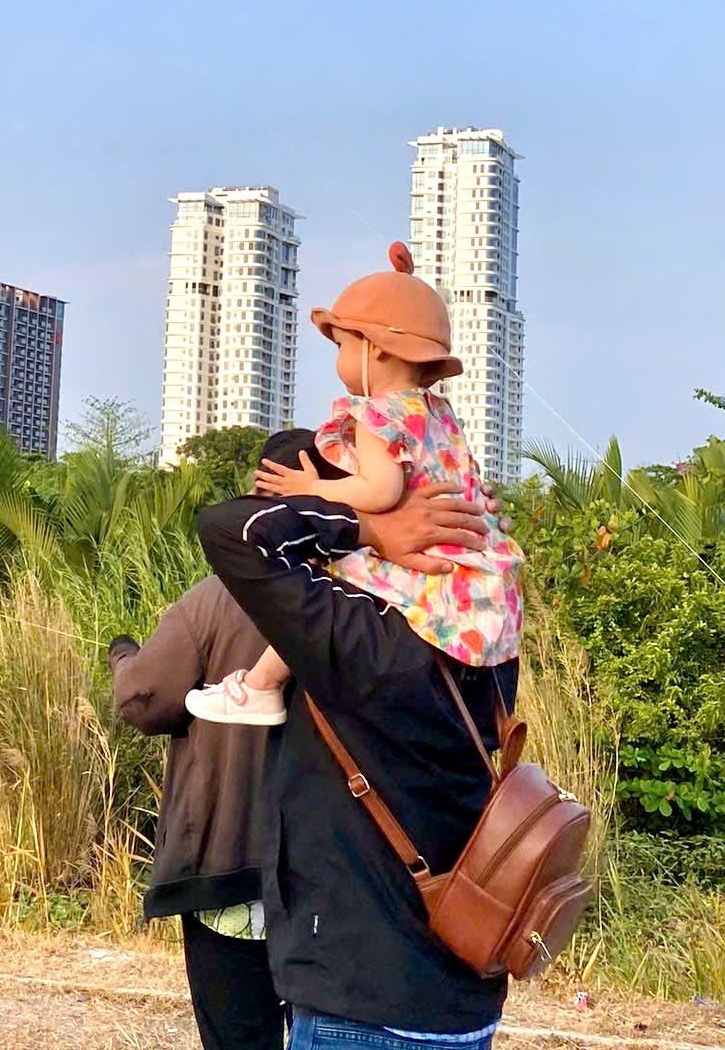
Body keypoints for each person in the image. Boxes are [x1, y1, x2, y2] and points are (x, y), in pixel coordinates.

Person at [194, 261, 516, 1050]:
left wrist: (363, 526)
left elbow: (229, 527)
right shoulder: (477, 639)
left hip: (363, 1001)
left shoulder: (355, 636)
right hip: (464, 993)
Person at [189, 244, 523, 726]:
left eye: (343, 345)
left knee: (330, 569)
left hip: (428, 569)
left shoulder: (376, 415)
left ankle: (262, 685)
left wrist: (312, 489)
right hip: (474, 576)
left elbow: (380, 492)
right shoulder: (438, 414)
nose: (339, 360)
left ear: (377, 349)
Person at [109, 576, 282, 1050]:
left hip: (230, 871)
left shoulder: (220, 594)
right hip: (337, 879)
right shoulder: (366, 585)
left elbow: (142, 700)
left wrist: (123, 656)